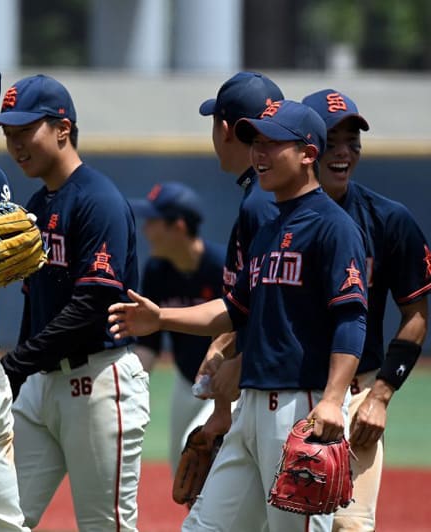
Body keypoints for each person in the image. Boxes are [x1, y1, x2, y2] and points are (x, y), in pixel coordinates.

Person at [108, 99, 369, 531]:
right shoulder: (268, 229)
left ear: (308, 154)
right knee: (202, 527)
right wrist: (162, 319)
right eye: (255, 143)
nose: (258, 153)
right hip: (249, 405)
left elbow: (351, 317)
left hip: (299, 406)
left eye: (272, 144)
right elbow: (233, 309)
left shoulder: (333, 226)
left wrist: (331, 400)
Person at [0, 74, 149, 531]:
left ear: (62, 129)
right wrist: (21, 375)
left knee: (104, 526)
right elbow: (35, 302)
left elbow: (91, 305)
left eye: (25, 130)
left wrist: (15, 365)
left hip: (97, 381)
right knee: (0, 519)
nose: (15, 144)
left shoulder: (98, 200)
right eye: (8, 134)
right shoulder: (38, 203)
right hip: (42, 386)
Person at [302, 89, 430, 532]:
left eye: (352, 141)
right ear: (305, 146)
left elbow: (415, 314)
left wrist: (380, 396)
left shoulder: (389, 220)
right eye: (331, 141)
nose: (343, 152)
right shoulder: (268, 215)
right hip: (283, 391)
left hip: (356, 394)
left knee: (349, 526)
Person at [195, 71, 285, 438]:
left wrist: (242, 360)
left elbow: (280, 302)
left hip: (279, 392)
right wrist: (224, 343)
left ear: (226, 129)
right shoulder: (267, 194)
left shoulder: (262, 202)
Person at [129, 182, 225, 470]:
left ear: (178, 226)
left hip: (226, 384)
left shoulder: (221, 267)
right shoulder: (157, 271)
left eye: (153, 221)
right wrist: (126, 383)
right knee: (180, 469)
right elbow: (149, 344)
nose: (145, 230)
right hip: (186, 382)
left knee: (197, 452)